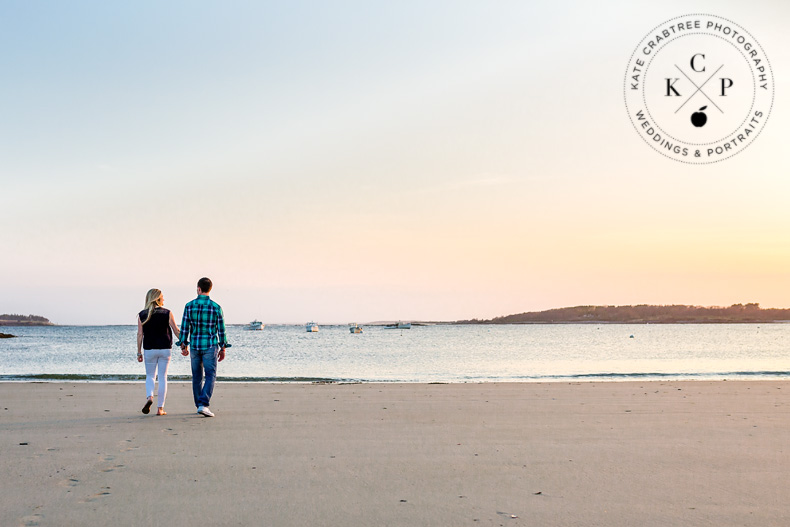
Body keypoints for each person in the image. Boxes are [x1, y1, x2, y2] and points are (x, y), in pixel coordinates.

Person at [177, 277, 227, 417]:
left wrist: (183, 345)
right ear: (209, 289)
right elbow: (221, 330)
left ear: (199, 289)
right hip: (210, 345)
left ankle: (199, 404)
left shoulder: (189, 306)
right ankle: (203, 404)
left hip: (194, 345)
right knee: (210, 375)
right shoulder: (216, 307)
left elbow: (185, 328)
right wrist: (223, 348)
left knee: (197, 377)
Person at [136, 288, 180, 416]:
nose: (164, 299)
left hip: (149, 349)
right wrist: (183, 344)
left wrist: (139, 352)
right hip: (165, 349)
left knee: (150, 376)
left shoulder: (142, 315)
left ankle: (150, 397)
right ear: (158, 299)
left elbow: (140, 335)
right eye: (162, 297)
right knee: (162, 377)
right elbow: (176, 330)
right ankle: (160, 409)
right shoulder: (167, 313)